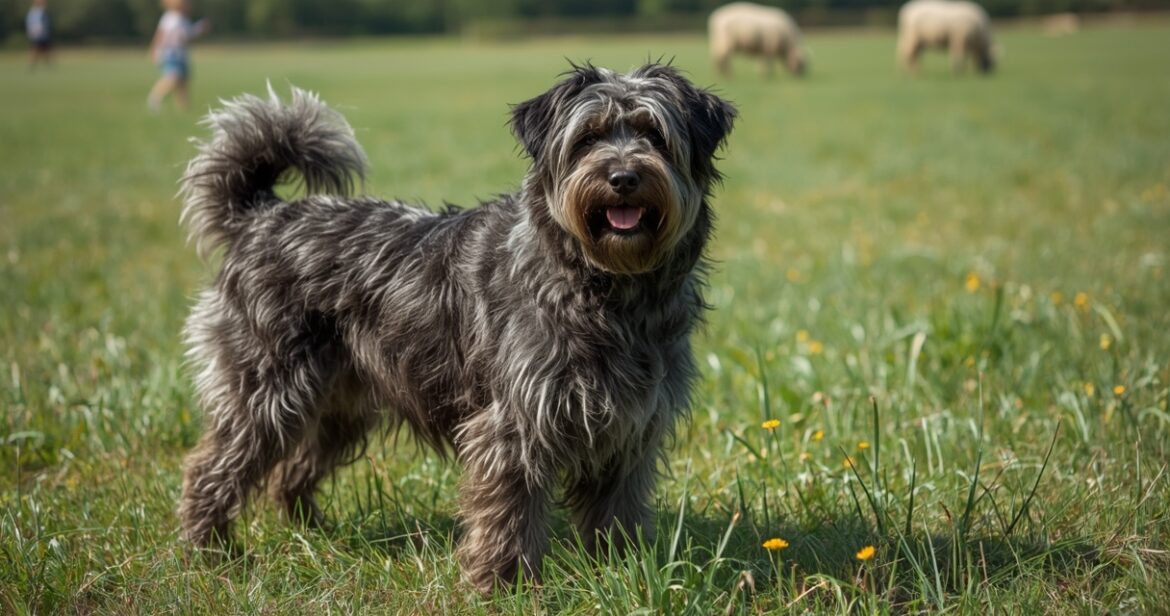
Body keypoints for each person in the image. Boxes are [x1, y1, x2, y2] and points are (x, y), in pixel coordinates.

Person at [147, 0, 209, 112]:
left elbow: (188, 36)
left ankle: (183, 109)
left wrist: (199, 28)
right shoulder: (169, 18)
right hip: (170, 55)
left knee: (183, 85)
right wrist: (155, 50)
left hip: (182, 56)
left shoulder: (184, 20)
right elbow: (160, 36)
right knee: (173, 78)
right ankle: (155, 97)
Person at [26, 0, 52, 70]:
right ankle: (31, 65)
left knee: (45, 49)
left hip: (43, 34)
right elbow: (32, 23)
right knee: (35, 50)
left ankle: (47, 65)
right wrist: (33, 31)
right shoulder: (34, 12)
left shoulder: (42, 11)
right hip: (37, 34)